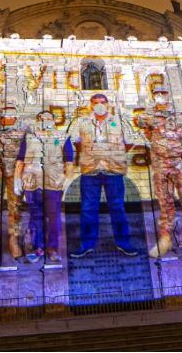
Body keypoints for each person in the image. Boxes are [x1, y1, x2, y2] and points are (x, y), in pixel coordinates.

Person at [135, 85, 182, 260]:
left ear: (169, 95)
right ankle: (165, 240)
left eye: (163, 93)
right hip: (162, 165)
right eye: (156, 94)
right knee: (165, 204)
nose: (160, 96)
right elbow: (146, 132)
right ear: (153, 96)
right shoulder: (148, 116)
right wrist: (161, 148)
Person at [65, 93, 141, 258]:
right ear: (90, 105)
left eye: (102, 102)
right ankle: (86, 245)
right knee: (88, 208)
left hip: (113, 171)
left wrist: (112, 155)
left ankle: (124, 243)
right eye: (95, 102)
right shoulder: (82, 122)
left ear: (108, 104)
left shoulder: (119, 121)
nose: (99, 104)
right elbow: (74, 143)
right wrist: (91, 155)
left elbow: (129, 143)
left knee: (118, 207)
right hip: (90, 171)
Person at [14, 110, 70, 264]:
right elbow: (20, 160)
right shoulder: (30, 137)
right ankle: (37, 247)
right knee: (35, 216)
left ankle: (53, 248)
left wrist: (67, 180)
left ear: (53, 120)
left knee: (53, 217)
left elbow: (69, 161)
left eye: (48, 118)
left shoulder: (62, 137)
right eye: (41, 118)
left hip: (54, 183)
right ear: (37, 121)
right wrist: (17, 179)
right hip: (32, 183)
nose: (45, 120)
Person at [0, 100, 29, 260]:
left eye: (10, 110)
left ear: (16, 111)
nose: (7, 113)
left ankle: (13, 239)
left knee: (15, 207)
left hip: (15, 171)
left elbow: (27, 149)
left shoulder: (24, 128)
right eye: (5, 110)